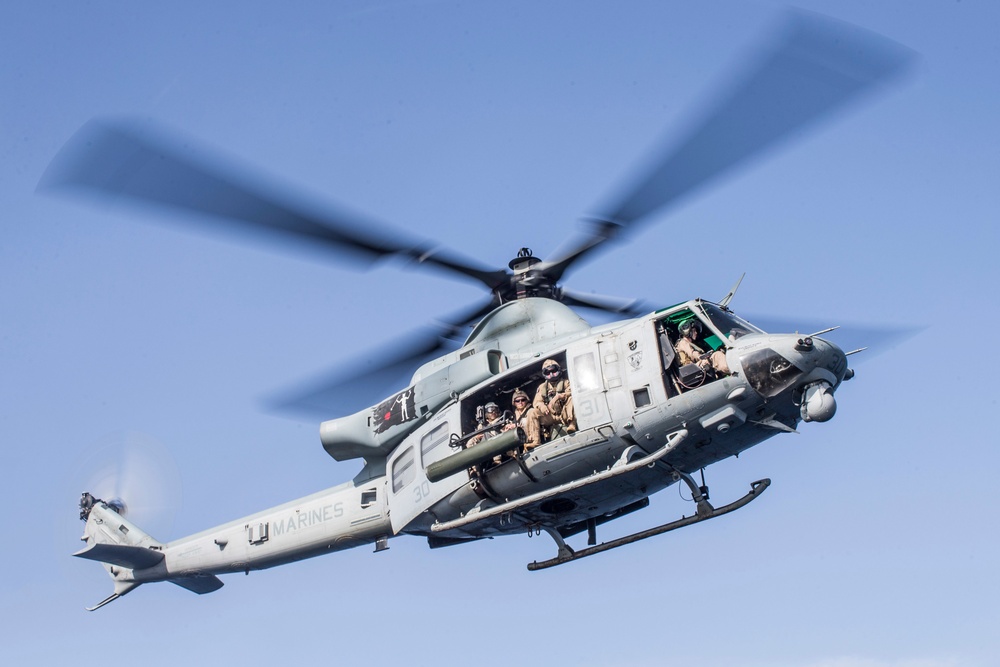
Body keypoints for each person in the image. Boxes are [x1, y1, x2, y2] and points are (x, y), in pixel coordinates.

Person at [533, 359, 576, 435]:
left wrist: (560, 396)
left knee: (572, 399)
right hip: (551, 416)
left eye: (553, 371)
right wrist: (542, 407)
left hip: (565, 413)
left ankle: (572, 424)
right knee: (532, 412)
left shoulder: (566, 382)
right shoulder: (542, 387)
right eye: (548, 372)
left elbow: (572, 392)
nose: (551, 374)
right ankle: (535, 440)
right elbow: (537, 402)